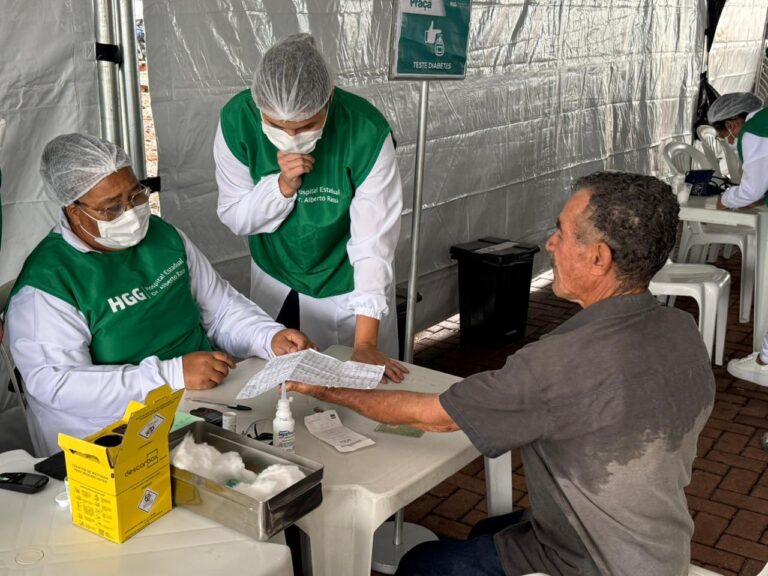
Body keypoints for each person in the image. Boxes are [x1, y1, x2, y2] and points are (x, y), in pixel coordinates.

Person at [287, 172, 715, 576]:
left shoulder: (561, 361)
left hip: (590, 560)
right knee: (485, 532)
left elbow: (435, 416)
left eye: (561, 232)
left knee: (421, 563)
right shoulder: (680, 327)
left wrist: (330, 389)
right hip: (659, 546)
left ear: (599, 258)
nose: (550, 243)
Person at [5, 133, 313, 456]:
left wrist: (269, 337)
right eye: (111, 208)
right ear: (74, 211)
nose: (130, 213)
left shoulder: (162, 237)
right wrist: (171, 375)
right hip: (113, 436)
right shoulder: (48, 285)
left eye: (136, 195)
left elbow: (220, 308)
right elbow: (60, 386)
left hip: (202, 403)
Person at [214, 33, 408, 383]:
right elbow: (236, 217)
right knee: (274, 392)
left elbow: (373, 243)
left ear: (328, 99)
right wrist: (281, 187)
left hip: (347, 287)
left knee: (354, 390)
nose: (290, 137)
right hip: (277, 276)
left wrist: (365, 343)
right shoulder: (237, 120)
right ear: (259, 107)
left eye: (306, 126)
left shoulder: (364, 130)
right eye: (275, 126)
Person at [708, 93, 768, 384]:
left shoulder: (754, 131)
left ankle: (765, 363)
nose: (729, 139)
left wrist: (726, 199)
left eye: (725, 132)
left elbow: (751, 190)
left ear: (733, 122)